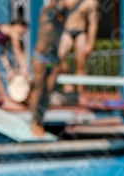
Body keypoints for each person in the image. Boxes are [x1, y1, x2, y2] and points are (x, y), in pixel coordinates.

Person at [30, 0, 84, 137]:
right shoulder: (46, 14)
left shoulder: (63, 18)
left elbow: (72, 5)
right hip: (40, 58)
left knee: (48, 92)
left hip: (53, 60)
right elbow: (54, 5)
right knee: (39, 90)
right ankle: (33, 122)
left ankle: (39, 121)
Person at [58, 0, 98, 100]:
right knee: (59, 55)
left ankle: (80, 94)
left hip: (80, 31)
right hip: (67, 30)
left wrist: (90, 43)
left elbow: (93, 23)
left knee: (81, 63)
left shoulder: (90, 3)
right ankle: (68, 83)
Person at [0, 21, 28, 110]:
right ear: (18, 26)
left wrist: (9, 70)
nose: (21, 34)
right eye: (23, 31)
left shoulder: (6, 33)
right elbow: (18, 51)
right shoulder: (13, 32)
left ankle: (5, 99)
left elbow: (2, 56)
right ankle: (6, 101)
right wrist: (24, 69)